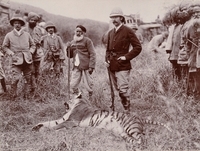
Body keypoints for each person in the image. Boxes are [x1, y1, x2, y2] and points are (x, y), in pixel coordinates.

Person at [105, 7, 142, 112]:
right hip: (111, 64)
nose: (114, 20)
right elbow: (108, 49)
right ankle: (121, 109)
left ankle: (127, 111)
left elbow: (138, 47)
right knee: (117, 89)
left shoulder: (128, 30)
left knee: (123, 89)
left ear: (121, 18)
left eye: (116, 17)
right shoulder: (110, 32)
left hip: (123, 64)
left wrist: (126, 57)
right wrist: (106, 59)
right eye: (112, 17)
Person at [2, 13, 35, 99]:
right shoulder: (9, 35)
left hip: (28, 60)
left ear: (22, 24)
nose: (17, 24)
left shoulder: (27, 34)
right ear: (13, 24)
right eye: (15, 23)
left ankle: (27, 96)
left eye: (19, 23)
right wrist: (11, 53)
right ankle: (14, 96)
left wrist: (30, 52)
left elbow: (33, 45)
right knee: (15, 79)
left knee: (28, 78)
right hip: (16, 60)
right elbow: (4, 47)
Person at [67, 25, 96, 97]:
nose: (78, 33)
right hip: (76, 66)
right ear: (75, 32)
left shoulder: (87, 41)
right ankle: (78, 97)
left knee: (89, 85)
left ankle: (91, 98)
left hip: (86, 66)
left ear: (83, 33)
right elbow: (69, 56)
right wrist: (68, 48)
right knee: (73, 85)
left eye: (80, 31)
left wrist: (91, 66)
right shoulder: (72, 42)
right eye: (77, 31)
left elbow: (93, 53)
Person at [24, 12, 45, 91]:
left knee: (37, 70)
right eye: (31, 20)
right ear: (28, 20)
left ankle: (36, 85)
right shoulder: (24, 29)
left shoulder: (39, 30)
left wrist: (40, 42)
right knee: (30, 70)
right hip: (28, 52)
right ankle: (32, 87)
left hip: (37, 53)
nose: (33, 22)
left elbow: (42, 40)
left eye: (35, 21)